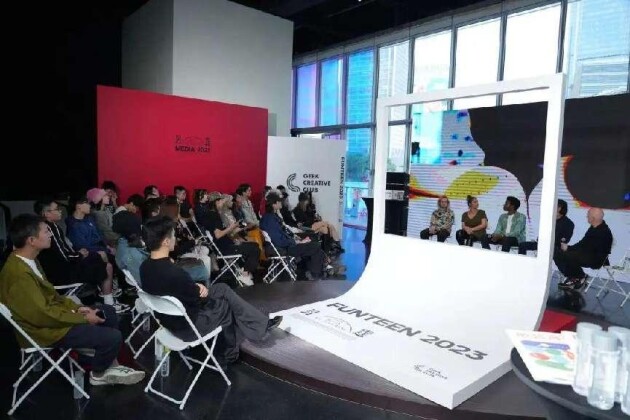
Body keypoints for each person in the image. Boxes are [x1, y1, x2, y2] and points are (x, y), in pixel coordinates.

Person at [0, 214, 145, 386]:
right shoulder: (19, 274)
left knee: (108, 312)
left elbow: (51, 297)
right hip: (43, 331)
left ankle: (104, 361)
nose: (50, 234)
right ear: (32, 240)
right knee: (113, 337)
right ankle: (98, 374)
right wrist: (82, 317)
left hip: (51, 318)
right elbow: (42, 315)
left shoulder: (30, 261)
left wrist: (78, 308)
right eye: (46, 232)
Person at [139, 216, 282, 365]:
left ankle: (260, 324)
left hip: (169, 322)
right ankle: (229, 354)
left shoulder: (145, 267)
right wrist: (198, 289)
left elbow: (178, 290)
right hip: (188, 326)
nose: (175, 238)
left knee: (222, 288)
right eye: (173, 235)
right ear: (166, 242)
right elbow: (199, 299)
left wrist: (196, 287)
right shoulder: (174, 272)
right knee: (225, 305)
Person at [35, 198, 122, 310]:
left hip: (63, 268)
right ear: (46, 213)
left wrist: (78, 254)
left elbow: (63, 251)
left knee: (102, 260)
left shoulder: (52, 227)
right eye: (56, 209)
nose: (60, 211)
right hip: (62, 274)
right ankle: (109, 303)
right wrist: (79, 255)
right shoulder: (51, 228)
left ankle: (105, 295)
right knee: (107, 266)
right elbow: (63, 255)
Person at [261, 193, 326, 280]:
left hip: (286, 245)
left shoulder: (272, 217)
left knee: (315, 245)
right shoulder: (269, 220)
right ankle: (317, 272)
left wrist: (295, 239)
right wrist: (296, 242)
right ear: (274, 204)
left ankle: (316, 272)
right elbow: (278, 241)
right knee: (315, 245)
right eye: (279, 202)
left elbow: (282, 235)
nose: (281, 203)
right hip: (283, 248)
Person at [555, 208, 613, 290]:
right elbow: (582, 243)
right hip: (586, 254)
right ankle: (573, 276)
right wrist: (569, 248)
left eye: (588, 215)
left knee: (566, 255)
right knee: (558, 253)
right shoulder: (594, 227)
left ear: (593, 218)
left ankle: (579, 276)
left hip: (595, 260)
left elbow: (590, 249)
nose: (586, 216)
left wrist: (569, 250)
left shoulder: (603, 232)